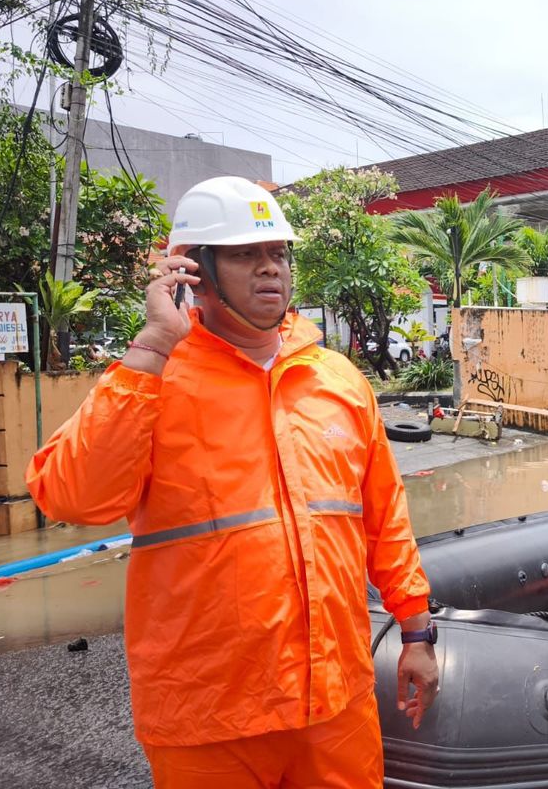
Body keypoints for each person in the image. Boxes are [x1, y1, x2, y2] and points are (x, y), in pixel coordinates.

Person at [26, 177, 439, 788]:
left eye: (278, 253)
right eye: (246, 255)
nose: (269, 270)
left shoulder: (339, 380)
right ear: (194, 271)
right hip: (209, 717)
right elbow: (72, 497)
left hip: (334, 705)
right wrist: (153, 347)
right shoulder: (150, 380)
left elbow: (384, 519)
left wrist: (417, 630)